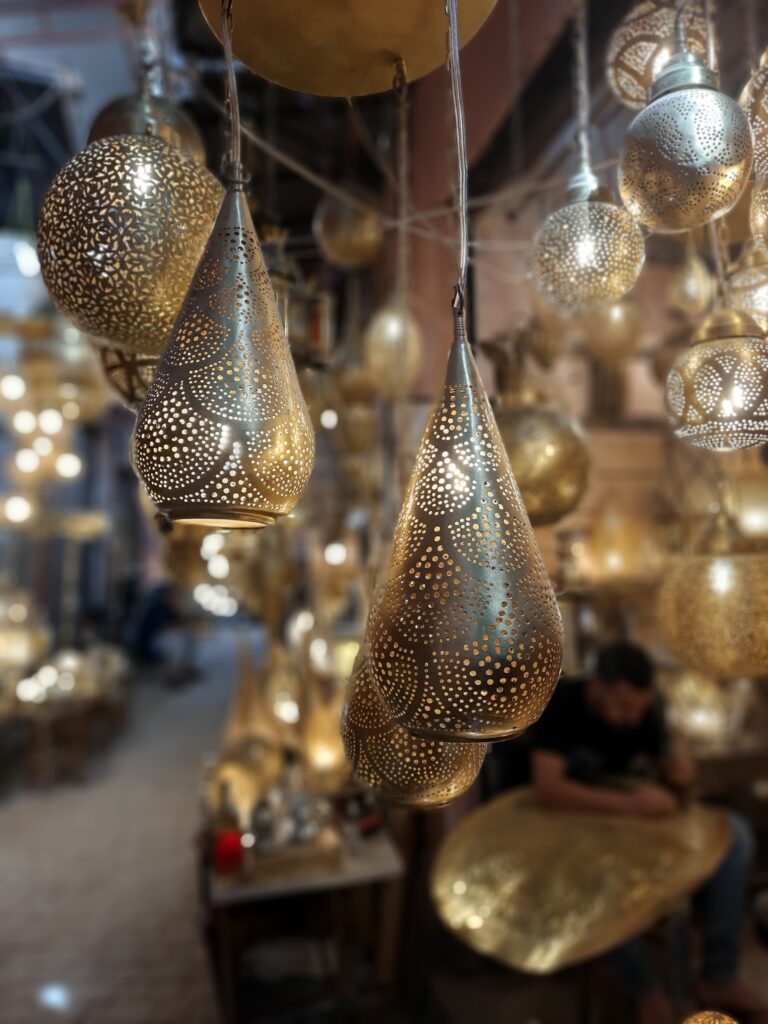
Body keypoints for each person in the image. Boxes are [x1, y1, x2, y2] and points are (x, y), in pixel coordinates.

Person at [529, 642, 765, 1024]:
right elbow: (548, 789)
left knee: (735, 837)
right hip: (571, 817)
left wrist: (680, 778)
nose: (631, 718)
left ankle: (719, 975)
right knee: (598, 870)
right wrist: (631, 806)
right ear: (597, 686)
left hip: (627, 814)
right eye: (622, 707)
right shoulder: (564, 703)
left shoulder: (643, 713)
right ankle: (644, 987)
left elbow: (666, 772)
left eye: (639, 708)